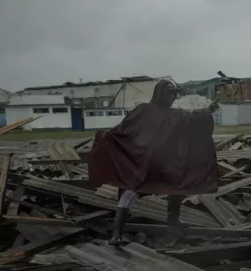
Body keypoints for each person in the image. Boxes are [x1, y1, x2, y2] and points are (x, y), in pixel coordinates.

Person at [87, 80, 219, 245]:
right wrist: (107, 137)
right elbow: (125, 128)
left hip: (165, 164)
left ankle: (173, 224)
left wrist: (207, 111)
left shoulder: (174, 114)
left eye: (174, 94)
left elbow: (191, 119)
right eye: (168, 93)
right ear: (159, 93)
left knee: (176, 189)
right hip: (142, 163)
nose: (172, 97)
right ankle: (117, 234)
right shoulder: (143, 110)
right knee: (130, 193)